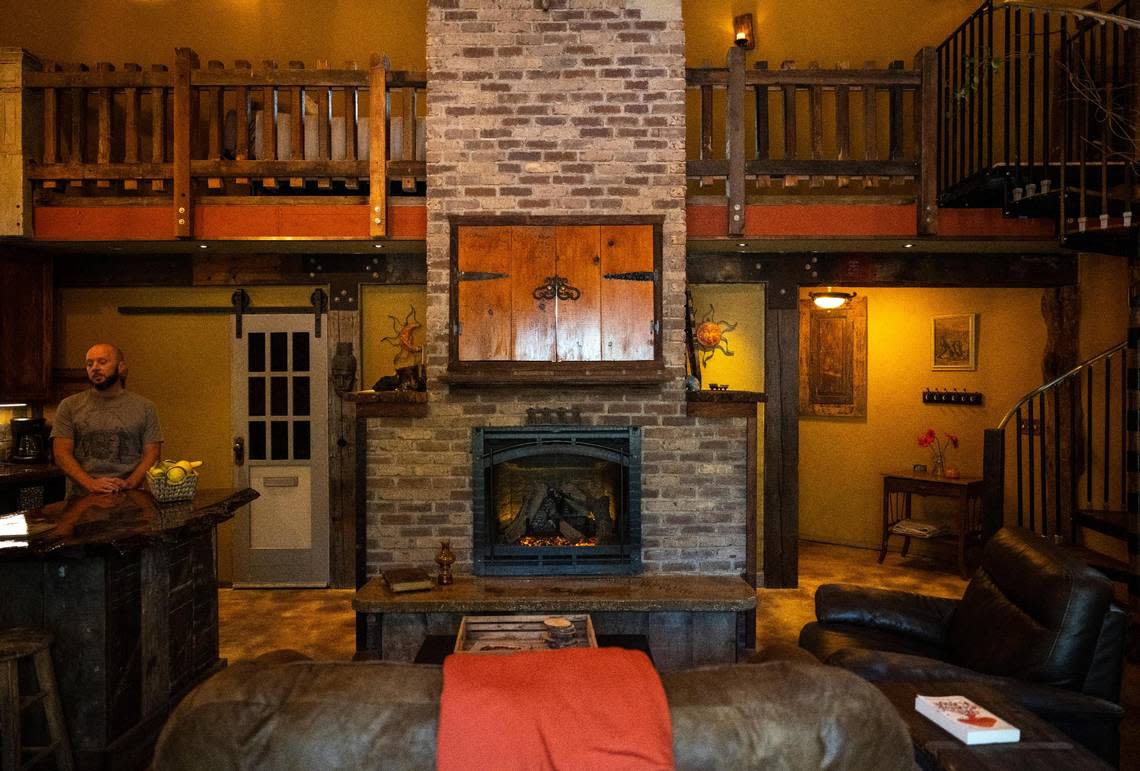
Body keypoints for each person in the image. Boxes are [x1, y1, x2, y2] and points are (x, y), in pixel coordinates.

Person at [51, 343, 163, 494]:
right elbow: (61, 453)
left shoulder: (145, 407)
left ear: (121, 367)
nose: (95, 368)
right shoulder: (69, 406)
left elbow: (153, 454)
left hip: (130, 497)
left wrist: (129, 483)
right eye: (89, 364)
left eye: (102, 362)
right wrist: (90, 484)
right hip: (81, 498)